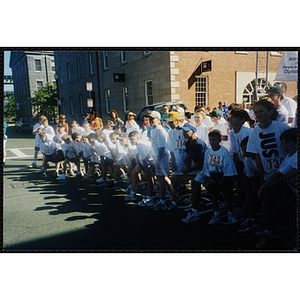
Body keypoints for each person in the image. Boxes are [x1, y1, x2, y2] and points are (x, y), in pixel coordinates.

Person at [246, 99, 290, 248]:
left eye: (261, 111)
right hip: (269, 175)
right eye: (256, 112)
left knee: (290, 203)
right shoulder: (254, 133)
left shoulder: (282, 127)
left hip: (288, 173)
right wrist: (262, 177)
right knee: (266, 202)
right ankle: (269, 233)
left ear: (270, 112)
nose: (258, 114)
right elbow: (257, 156)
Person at [194, 130, 238, 225]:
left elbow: (228, 167)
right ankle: (216, 214)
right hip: (213, 176)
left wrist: (223, 179)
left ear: (219, 140)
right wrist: (209, 177)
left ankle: (230, 213)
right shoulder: (208, 151)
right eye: (210, 140)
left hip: (224, 176)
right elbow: (206, 165)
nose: (211, 142)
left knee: (228, 195)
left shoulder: (224, 152)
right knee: (214, 195)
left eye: (214, 140)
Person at [179, 122, 208, 223]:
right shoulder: (188, 142)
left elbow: (201, 164)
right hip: (200, 167)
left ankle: (195, 212)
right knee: (210, 188)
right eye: (183, 131)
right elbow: (188, 157)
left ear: (193, 132)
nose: (184, 133)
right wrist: (187, 166)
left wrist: (189, 169)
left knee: (196, 184)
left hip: (206, 167)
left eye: (186, 131)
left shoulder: (199, 144)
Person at [228, 108, 252, 209]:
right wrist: (238, 167)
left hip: (251, 163)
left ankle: (249, 206)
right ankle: (241, 203)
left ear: (242, 120)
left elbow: (249, 154)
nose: (231, 118)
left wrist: (245, 171)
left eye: (234, 117)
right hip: (242, 162)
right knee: (239, 182)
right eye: (231, 116)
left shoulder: (246, 132)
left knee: (247, 185)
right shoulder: (232, 132)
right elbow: (235, 150)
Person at [164, 111, 187, 214]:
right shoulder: (170, 132)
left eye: (171, 122)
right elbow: (171, 149)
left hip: (186, 161)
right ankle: (174, 202)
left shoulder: (186, 130)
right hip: (177, 160)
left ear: (177, 121)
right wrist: (173, 162)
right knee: (174, 181)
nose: (169, 124)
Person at [147, 110, 170, 210]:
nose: (151, 121)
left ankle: (163, 201)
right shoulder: (153, 130)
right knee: (162, 179)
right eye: (150, 119)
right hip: (156, 157)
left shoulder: (160, 130)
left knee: (161, 179)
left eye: (153, 119)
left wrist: (157, 161)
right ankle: (170, 196)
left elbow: (162, 148)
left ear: (158, 119)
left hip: (162, 157)